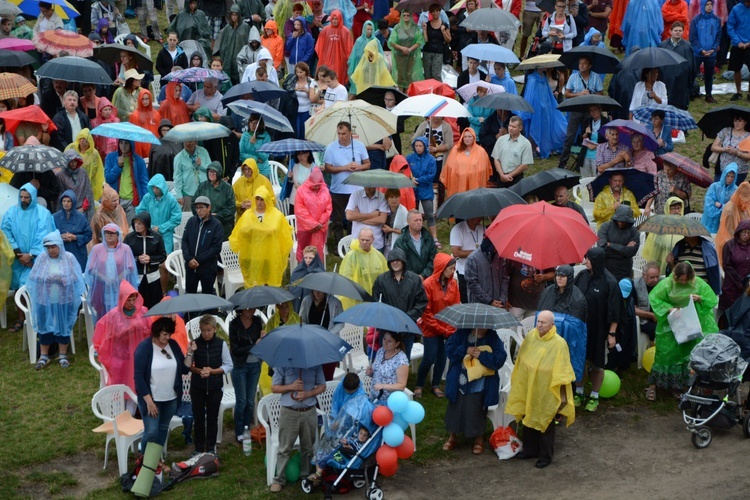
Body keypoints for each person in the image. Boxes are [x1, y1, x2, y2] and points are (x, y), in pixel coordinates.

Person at [506, 310, 575, 468]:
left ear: (552, 325)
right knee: (528, 415)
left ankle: (545, 455)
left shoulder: (559, 343)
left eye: (543, 322)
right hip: (530, 383)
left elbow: (563, 369)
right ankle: (530, 450)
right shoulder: (531, 336)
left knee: (545, 420)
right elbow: (522, 357)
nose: (539, 325)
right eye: (538, 321)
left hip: (547, 388)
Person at [645, 262, 718, 400]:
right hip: (671, 323)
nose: (683, 282)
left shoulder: (699, 283)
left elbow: (712, 299)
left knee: (687, 354)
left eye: (686, 280)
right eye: (681, 279)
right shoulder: (667, 284)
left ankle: (678, 386)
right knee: (665, 353)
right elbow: (654, 298)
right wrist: (670, 308)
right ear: (675, 276)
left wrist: (700, 298)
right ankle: (653, 386)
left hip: (692, 323)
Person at [443, 323, 506, 455]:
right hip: (460, 379)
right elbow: (449, 350)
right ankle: (453, 436)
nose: (483, 327)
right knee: (456, 407)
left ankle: (478, 438)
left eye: (485, 325)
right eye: (480, 324)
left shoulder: (492, 337)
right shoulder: (461, 333)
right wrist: (465, 350)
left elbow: (500, 359)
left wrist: (481, 355)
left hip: (480, 383)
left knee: (476, 408)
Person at [27, 230, 85, 370]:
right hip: (45, 299)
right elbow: (33, 276)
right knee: (44, 325)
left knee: (63, 326)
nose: (51, 250)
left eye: (53, 247)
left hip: (64, 299)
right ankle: (44, 355)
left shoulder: (69, 258)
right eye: (48, 247)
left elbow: (76, 277)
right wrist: (47, 278)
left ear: (60, 245)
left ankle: (63, 354)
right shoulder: (41, 258)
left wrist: (61, 279)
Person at [2, 184, 55, 332]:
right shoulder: (12, 212)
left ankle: (36, 317)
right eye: (21, 197)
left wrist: (31, 255)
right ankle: (21, 318)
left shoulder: (42, 214)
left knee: (33, 286)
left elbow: (44, 235)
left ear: (32, 197)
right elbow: (5, 231)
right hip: (18, 259)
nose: (23, 200)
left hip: (36, 259)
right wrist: (19, 254)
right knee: (20, 286)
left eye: (27, 197)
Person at [270, 353, 325, 493]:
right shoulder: (282, 363)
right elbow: (274, 387)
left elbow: (322, 386)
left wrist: (308, 394)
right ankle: (279, 479)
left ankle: (305, 475)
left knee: (307, 447)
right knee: (284, 448)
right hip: (289, 412)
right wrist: (291, 386)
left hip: (309, 411)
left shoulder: (315, 363)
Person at [573, 247, 620, 411]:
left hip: (599, 330)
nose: (585, 261)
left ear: (596, 261)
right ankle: (579, 391)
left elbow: (615, 311)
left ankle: (594, 395)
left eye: (588, 259)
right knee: (579, 361)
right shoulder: (582, 276)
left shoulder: (610, 282)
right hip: (580, 328)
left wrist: (611, 333)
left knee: (597, 363)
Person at [134, 317, 188, 452]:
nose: (168, 337)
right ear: (156, 332)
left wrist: (190, 353)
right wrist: (149, 402)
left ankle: (155, 458)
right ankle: (144, 458)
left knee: (163, 428)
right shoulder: (144, 348)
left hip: (171, 397)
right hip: (151, 398)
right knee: (151, 431)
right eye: (165, 334)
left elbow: (185, 369)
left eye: (170, 334)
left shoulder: (173, 345)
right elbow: (139, 377)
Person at [185, 314, 233, 455]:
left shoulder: (221, 344)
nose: (206, 333)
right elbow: (188, 366)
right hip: (198, 386)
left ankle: (211, 448)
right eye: (203, 330)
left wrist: (213, 371)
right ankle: (199, 448)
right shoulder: (195, 343)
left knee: (213, 418)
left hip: (215, 386)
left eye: (208, 330)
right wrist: (191, 354)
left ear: (215, 329)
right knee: (198, 418)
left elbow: (229, 365)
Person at [92, 280, 152, 393]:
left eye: (134, 299)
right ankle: (120, 403)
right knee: (122, 381)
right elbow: (106, 336)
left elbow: (149, 330)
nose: (132, 303)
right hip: (121, 356)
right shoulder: (113, 316)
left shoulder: (143, 311)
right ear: (122, 299)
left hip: (140, 354)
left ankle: (137, 406)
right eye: (128, 300)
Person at [229, 186, 293, 288]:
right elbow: (239, 231)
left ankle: (270, 302)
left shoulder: (277, 215)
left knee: (270, 282)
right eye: (257, 199)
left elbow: (284, 233)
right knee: (253, 282)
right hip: (252, 255)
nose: (259, 202)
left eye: (262, 199)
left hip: (270, 255)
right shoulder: (248, 215)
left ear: (267, 199)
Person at [415, 254, 459, 399]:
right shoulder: (428, 284)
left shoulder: (453, 284)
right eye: (450, 269)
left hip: (447, 329)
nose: (452, 272)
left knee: (442, 357)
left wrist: (451, 328)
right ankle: (419, 385)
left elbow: (456, 307)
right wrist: (442, 329)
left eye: (454, 269)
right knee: (429, 357)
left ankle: (436, 385)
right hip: (431, 328)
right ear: (442, 268)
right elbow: (426, 313)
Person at [372, 248, 428, 359]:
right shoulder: (381, 280)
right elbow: (375, 302)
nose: (395, 262)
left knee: (403, 361)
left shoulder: (414, 280)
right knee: (384, 362)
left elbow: (422, 301)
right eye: (392, 260)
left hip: (406, 330)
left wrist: (407, 317)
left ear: (404, 261)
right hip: (386, 330)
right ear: (389, 263)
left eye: (398, 260)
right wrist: (388, 318)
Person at [325, 122, 371, 248]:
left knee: (354, 218)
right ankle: (339, 244)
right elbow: (328, 168)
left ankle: (353, 243)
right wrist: (344, 167)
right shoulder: (331, 148)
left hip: (356, 189)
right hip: (338, 189)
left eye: (344, 133)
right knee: (338, 219)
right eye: (339, 134)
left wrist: (359, 167)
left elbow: (368, 164)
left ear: (350, 133)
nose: (341, 136)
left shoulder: (359, 146)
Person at [558, 56, 604, 169]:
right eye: (580, 63)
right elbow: (567, 94)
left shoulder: (595, 77)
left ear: (589, 66)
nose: (581, 65)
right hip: (576, 109)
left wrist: (591, 95)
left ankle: (581, 161)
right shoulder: (574, 77)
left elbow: (601, 93)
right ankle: (563, 161)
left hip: (589, 110)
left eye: (584, 63)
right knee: (570, 136)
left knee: (586, 135)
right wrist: (579, 94)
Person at [228, 306, 264, 443]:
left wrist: (263, 339)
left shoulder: (257, 321)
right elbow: (235, 350)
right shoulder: (234, 324)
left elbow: (260, 343)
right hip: (240, 365)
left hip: (255, 365)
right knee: (242, 401)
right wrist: (254, 346)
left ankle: (247, 428)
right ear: (241, 309)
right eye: (248, 308)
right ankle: (239, 431)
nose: (252, 310)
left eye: (253, 308)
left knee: (250, 401)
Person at [520, 68, 567, 159]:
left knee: (544, 129)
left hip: (545, 109)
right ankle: (531, 150)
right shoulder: (532, 79)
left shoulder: (544, 77)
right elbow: (530, 96)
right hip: (535, 110)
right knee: (533, 128)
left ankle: (541, 148)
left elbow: (547, 94)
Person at [123, 212, 167, 309]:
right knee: (137, 305)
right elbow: (124, 256)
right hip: (136, 277)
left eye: (140, 223)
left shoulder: (156, 237)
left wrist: (150, 259)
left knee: (154, 305)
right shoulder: (129, 238)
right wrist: (137, 259)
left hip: (153, 277)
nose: (136, 226)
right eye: (135, 223)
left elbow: (163, 256)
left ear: (146, 224)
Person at [181, 196, 223, 294]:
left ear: (209, 208)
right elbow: (184, 241)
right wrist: (189, 259)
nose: (199, 211)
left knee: (207, 297)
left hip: (207, 268)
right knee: (190, 296)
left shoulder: (216, 225)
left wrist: (198, 259)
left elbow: (216, 248)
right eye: (197, 208)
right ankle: (191, 310)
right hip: (190, 267)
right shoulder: (191, 221)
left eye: (201, 207)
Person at [339, 229, 388, 309]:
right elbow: (346, 276)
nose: (365, 242)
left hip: (374, 294)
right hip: (357, 295)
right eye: (362, 240)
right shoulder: (351, 256)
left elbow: (385, 274)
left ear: (373, 240)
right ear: (358, 239)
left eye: (367, 240)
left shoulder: (378, 256)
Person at [441, 128, 492, 201]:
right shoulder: (456, 149)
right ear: (462, 137)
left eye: (469, 136)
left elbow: (484, 168)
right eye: (465, 137)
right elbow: (449, 166)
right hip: (458, 183)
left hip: (474, 183)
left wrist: (471, 174)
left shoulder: (481, 151)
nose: (467, 139)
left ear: (474, 137)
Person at [104, 139, 149, 223]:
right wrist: (118, 166)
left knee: (130, 230)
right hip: (116, 201)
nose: (123, 146)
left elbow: (144, 183)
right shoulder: (110, 158)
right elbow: (108, 178)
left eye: (126, 143)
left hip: (132, 202)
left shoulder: (139, 161)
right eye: (121, 142)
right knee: (116, 230)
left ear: (131, 144)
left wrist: (144, 202)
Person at [405, 137, 439, 244]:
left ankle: (434, 238)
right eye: (416, 146)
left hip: (425, 189)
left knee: (429, 214)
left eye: (421, 146)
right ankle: (412, 235)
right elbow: (405, 170)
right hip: (412, 189)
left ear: (425, 146)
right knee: (412, 214)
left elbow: (431, 175)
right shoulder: (410, 158)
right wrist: (411, 179)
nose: (418, 148)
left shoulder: (431, 160)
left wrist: (418, 180)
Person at [294, 168, 331, 262]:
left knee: (317, 252)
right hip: (305, 229)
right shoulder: (301, 191)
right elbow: (300, 211)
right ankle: (303, 272)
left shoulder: (325, 190)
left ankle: (316, 273)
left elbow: (328, 208)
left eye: (318, 185)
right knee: (304, 252)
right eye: (314, 185)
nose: (316, 187)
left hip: (320, 228)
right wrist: (313, 224)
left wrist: (320, 223)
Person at [193, 161, 236, 240]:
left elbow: (231, 208)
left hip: (223, 226)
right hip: (205, 224)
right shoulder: (202, 186)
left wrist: (216, 216)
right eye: (210, 171)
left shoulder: (227, 188)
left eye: (214, 172)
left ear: (219, 173)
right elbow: (194, 204)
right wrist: (203, 215)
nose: (211, 174)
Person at [643, 197, 685, 274]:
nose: (676, 211)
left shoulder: (685, 226)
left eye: (678, 208)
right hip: (661, 263)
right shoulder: (660, 227)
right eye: (673, 208)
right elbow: (654, 252)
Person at [690, 0, 721, 104]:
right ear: (703, 5)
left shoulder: (716, 20)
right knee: (693, 73)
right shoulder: (696, 20)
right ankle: (689, 93)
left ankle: (708, 94)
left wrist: (713, 48)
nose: (709, 7)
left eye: (711, 4)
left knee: (709, 74)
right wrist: (700, 50)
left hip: (711, 53)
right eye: (707, 4)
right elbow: (693, 37)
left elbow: (718, 36)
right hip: (698, 53)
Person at [659, 22, 695, 111]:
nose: (678, 32)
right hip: (666, 79)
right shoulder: (663, 45)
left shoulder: (687, 46)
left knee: (680, 106)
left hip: (681, 82)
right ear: (670, 31)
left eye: (680, 30)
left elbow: (692, 66)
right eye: (675, 30)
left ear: (683, 32)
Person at [464, 237, 509, 308]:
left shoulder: (499, 258)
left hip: (498, 304)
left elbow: (505, 279)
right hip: (479, 306)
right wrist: (489, 301)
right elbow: (472, 283)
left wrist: (502, 299)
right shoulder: (473, 258)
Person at [53, 190, 92, 272]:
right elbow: (49, 234)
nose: (66, 203)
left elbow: (89, 234)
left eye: (68, 201)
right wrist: (59, 237)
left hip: (77, 251)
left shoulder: (81, 217)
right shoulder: (55, 217)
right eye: (64, 201)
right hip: (61, 250)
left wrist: (75, 237)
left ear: (73, 202)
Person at [598, 204, 639, 280]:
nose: (620, 223)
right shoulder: (605, 227)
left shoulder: (634, 231)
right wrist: (624, 249)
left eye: (624, 222)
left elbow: (631, 252)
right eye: (619, 221)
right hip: (606, 268)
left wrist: (611, 245)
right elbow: (602, 248)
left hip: (624, 270)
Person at [491, 116, 534, 189]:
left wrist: (509, 175)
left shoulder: (525, 143)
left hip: (516, 178)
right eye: (510, 126)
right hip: (501, 177)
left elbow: (524, 165)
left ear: (520, 128)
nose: (510, 128)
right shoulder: (501, 140)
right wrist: (502, 175)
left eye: (514, 127)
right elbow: (496, 159)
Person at [393, 210, 437, 279]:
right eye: (415, 220)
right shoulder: (401, 241)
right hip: (408, 281)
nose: (419, 223)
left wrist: (424, 275)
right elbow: (401, 262)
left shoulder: (428, 237)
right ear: (408, 221)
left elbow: (433, 258)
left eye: (420, 220)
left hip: (427, 279)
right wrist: (415, 278)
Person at [365, 330, 409, 401]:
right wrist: (370, 373)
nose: (385, 343)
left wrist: (383, 386)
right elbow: (376, 371)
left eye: (389, 341)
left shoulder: (401, 360)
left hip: (388, 400)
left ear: (397, 343)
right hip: (374, 396)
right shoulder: (381, 351)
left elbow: (401, 385)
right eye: (384, 339)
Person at [388, 9, 424, 92]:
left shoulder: (415, 27)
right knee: (400, 77)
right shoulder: (397, 27)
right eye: (404, 15)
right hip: (399, 56)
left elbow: (419, 41)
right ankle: (401, 96)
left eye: (408, 15)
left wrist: (410, 49)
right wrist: (402, 48)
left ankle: (408, 96)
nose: (406, 17)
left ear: (411, 16)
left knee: (409, 76)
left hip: (411, 55)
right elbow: (392, 42)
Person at [64, 129, 104, 204]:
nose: (82, 141)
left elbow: (97, 169)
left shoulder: (94, 153)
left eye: (84, 139)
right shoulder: (72, 148)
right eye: (80, 138)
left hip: (88, 183)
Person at [315, 10, 353, 87]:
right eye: (333, 18)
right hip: (326, 60)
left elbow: (349, 48)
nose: (335, 21)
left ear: (340, 19)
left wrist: (346, 59)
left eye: (336, 19)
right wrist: (323, 57)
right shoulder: (325, 30)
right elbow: (319, 46)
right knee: (325, 77)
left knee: (338, 79)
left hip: (340, 61)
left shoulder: (346, 32)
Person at [345, 187, 388, 254]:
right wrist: (371, 215)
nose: (367, 187)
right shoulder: (356, 195)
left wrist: (357, 217)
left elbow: (382, 220)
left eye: (370, 185)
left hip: (376, 242)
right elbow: (349, 216)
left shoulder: (382, 197)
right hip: (357, 242)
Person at [56, 150, 95, 222]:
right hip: (66, 209)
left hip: (82, 209)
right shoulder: (60, 175)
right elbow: (59, 196)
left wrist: (84, 206)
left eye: (75, 161)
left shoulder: (83, 173)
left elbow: (88, 192)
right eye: (71, 161)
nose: (73, 163)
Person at [720, 220, 750, 312]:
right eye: (744, 232)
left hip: (748, 285)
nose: (746, 235)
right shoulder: (730, 245)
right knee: (730, 311)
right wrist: (739, 281)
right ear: (739, 232)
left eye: (749, 233)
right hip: (732, 285)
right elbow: (727, 266)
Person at [711, 114, 750, 184]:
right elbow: (714, 147)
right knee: (717, 190)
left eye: (740, 121)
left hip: (739, 171)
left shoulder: (748, 136)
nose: (737, 123)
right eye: (735, 121)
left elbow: (748, 156)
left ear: (745, 122)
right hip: (722, 169)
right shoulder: (726, 131)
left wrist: (737, 153)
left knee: (732, 193)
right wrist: (725, 149)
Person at [174, 140, 210, 211]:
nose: (187, 144)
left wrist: (201, 165)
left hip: (204, 189)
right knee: (188, 215)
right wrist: (179, 195)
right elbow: (177, 177)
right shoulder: (179, 157)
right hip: (188, 191)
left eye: (190, 141)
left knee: (205, 213)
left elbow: (210, 169)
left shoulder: (203, 151)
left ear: (195, 142)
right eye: (185, 142)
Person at [702, 163, 738, 234]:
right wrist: (723, 208)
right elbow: (708, 206)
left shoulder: (736, 190)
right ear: (724, 175)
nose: (730, 179)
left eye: (732, 177)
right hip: (708, 222)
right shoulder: (714, 186)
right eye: (728, 176)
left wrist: (720, 206)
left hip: (723, 224)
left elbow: (733, 207)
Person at [286, 63, 318, 139]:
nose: (299, 74)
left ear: (306, 72)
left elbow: (315, 97)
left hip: (307, 110)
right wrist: (294, 90)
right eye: (297, 72)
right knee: (296, 131)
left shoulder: (312, 82)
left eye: (301, 72)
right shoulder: (293, 80)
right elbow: (286, 91)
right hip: (295, 110)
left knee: (304, 131)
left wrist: (307, 91)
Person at [727, 0, 750, 101]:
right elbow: (730, 27)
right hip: (738, 44)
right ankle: (738, 92)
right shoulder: (736, 9)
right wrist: (738, 42)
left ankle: (749, 93)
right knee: (737, 69)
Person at [421, 4, 451, 81]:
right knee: (427, 74)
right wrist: (424, 30)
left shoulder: (444, 24)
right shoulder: (427, 24)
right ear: (430, 13)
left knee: (436, 74)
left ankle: (437, 91)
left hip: (439, 51)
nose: (435, 13)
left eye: (437, 11)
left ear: (440, 12)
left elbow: (449, 39)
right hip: (427, 50)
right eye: (433, 11)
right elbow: (425, 40)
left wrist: (443, 31)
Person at [634, 262, 661, 343]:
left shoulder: (662, 284)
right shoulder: (635, 285)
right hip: (644, 320)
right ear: (643, 275)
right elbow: (632, 309)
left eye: (657, 276)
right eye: (652, 277)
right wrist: (652, 315)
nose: (655, 280)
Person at [239, 114, 272, 180]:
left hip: (262, 171)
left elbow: (265, 157)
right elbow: (241, 154)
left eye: (255, 123)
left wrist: (255, 144)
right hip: (247, 169)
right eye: (251, 122)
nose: (253, 125)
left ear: (260, 125)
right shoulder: (245, 135)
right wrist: (256, 158)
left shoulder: (266, 137)